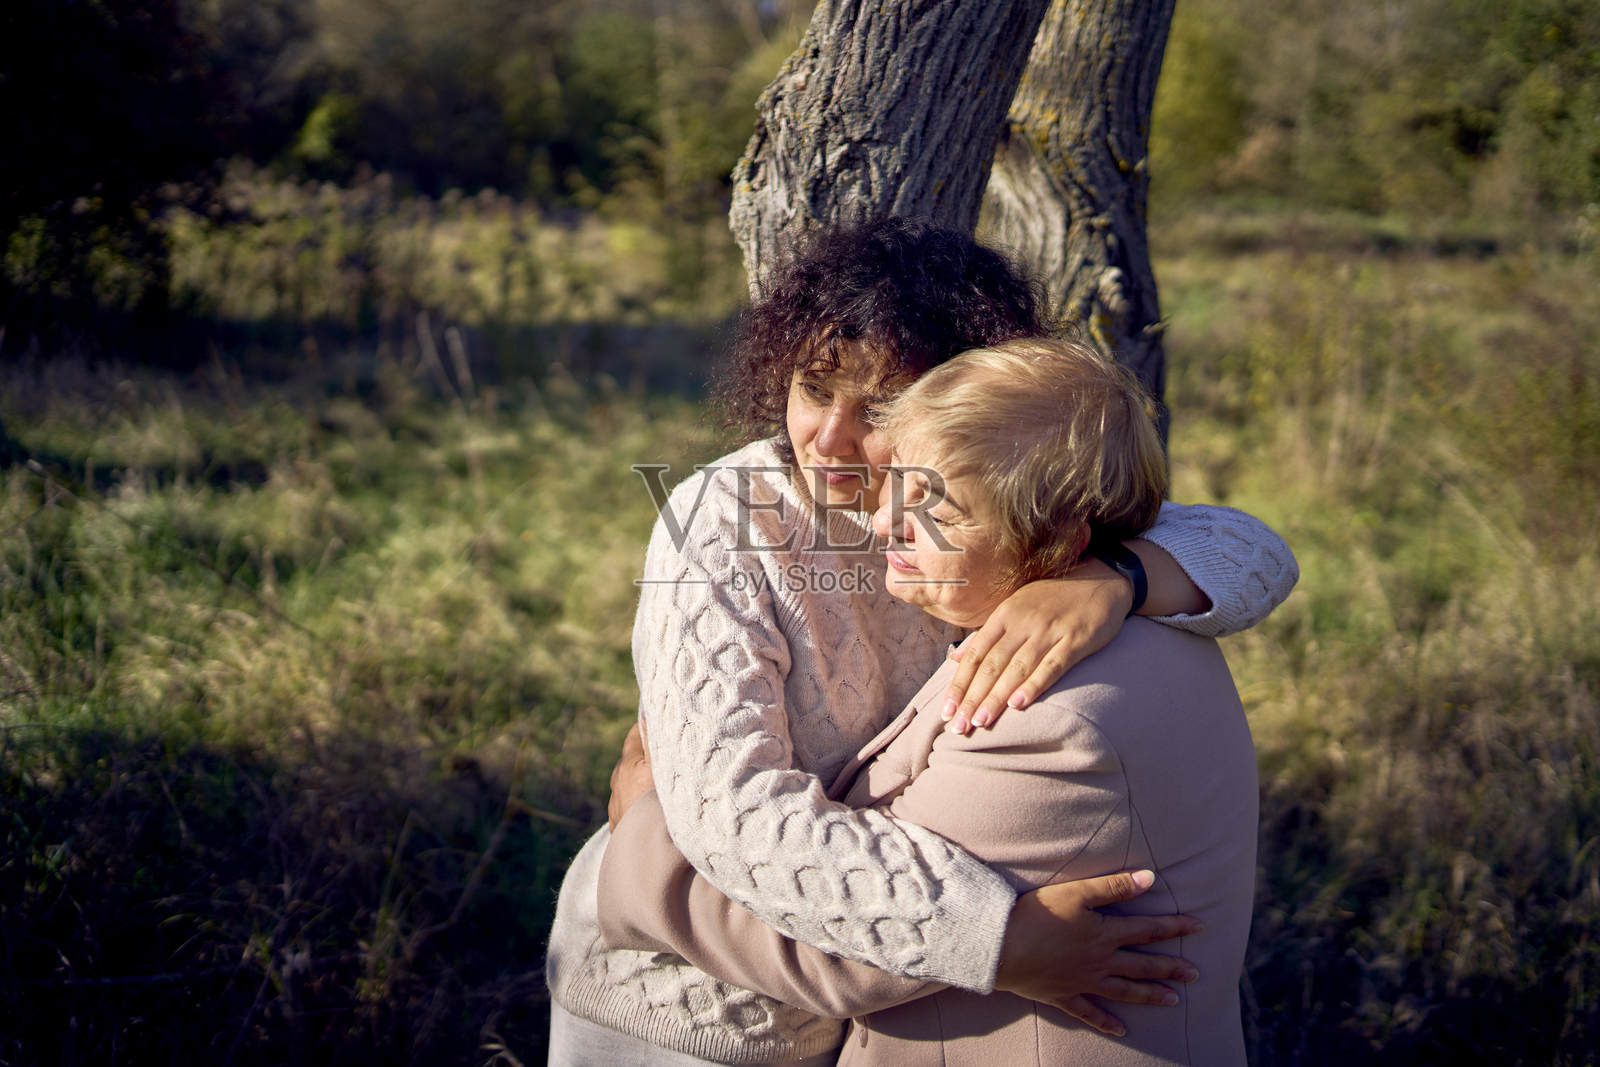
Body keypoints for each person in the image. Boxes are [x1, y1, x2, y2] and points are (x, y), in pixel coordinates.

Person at [544, 219, 1296, 1064]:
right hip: (690, 1005)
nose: (829, 438)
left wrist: (1112, 578)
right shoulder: (723, 521)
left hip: (862, 1003)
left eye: (879, 407)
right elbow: (735, 819)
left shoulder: (987, 496)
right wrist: (996, 939)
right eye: (814, 388)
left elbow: (1253, 549)